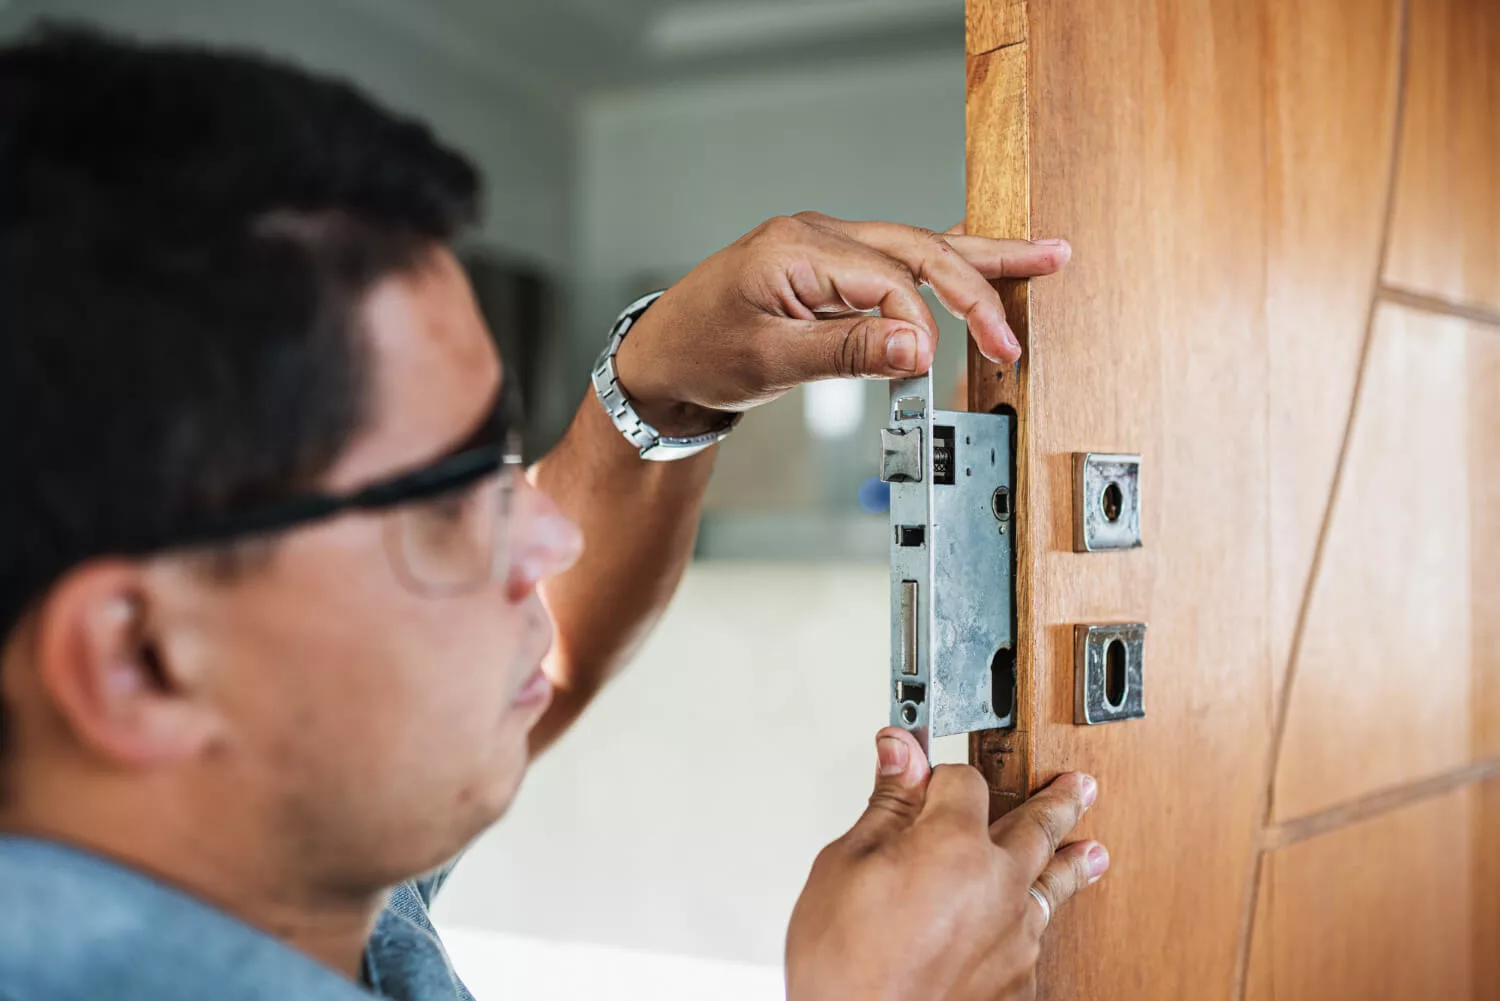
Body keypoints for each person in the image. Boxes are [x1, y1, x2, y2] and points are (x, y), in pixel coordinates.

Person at [0, 25, 1109, 1001]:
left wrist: (662, 390)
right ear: (142, 659)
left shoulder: (282, 868)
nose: (550, 534)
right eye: (445, 502)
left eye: (505, 463)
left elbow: (534, 663)